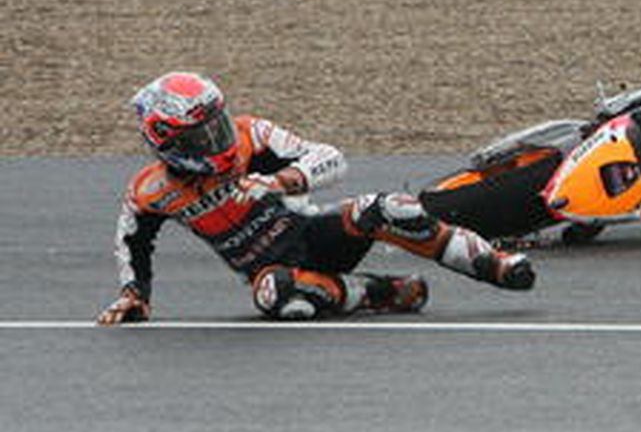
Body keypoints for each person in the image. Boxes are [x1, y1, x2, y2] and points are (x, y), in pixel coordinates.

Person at [98, 71, 536, 325]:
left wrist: (282, 181)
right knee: (277, 296)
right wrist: (135, 294)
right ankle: (385, 293)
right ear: (168, 142)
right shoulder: (150, 191)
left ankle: (495, 265)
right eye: (203, 134)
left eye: (219, 123)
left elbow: (331, 158)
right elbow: (132, 241)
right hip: (276, 270)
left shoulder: (254, 135)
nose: (220, 137)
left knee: (388, 207)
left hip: (313, 233)